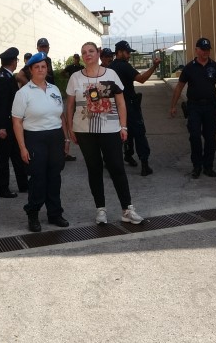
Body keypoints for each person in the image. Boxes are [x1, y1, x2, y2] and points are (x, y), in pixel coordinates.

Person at [65, 42, 144, 225]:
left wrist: (123, 126)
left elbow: (121, 102)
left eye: (91, 51)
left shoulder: (111, 74)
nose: (87, 54)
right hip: (84, 131)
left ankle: (127, 209)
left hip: (110, 129)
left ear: (98, 53)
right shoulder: (75, 78)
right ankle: (100, 209)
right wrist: (70, 129)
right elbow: (69, 106)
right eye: (84, 52)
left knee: (117, 167)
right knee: (94, 169)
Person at [11, 52, 70, 232]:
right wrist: (22, 147)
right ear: (30, 70)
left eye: (43, 67)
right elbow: (17, 122)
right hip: (35, 138)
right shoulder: (23, 93)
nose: (40, 70)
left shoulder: (54, 89)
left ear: (47, 69)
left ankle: (55, 213)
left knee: (54, 177)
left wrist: (66, 138)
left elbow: (61, 116)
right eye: (36, 67)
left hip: (55, 137)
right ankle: (33, 214)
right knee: (38, 178)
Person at [169, 37, 216, 178]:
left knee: (210, 137)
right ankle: (197, 166)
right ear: (196, 50)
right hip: (194, 106)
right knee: (195, 136)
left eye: (207, 49)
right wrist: (173, 106)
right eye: (202, 49)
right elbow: (179, 87)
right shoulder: (189, 68)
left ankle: (208, 166)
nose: (205, 52)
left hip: (210, 106)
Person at [109, 39, 162, 175]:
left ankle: (121, 159)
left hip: (114, 106)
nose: (129, 55)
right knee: (138, 133)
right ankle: (144, 165)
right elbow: (142, 79)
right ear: (119, 52)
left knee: (120, 133)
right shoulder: (124, 66)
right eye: (127, 52)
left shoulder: (110, 68)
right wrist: (154, 66)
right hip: (129, 105)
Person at [0, 47, 27, 198]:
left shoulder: (8, 76)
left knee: (17, 155)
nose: (17, 62)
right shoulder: (3, 79)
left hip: (11, 125)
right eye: (16, 60)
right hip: (3, 127)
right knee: (3, 158)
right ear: (13, 62)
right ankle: (1, 188)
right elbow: (1, 106)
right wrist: (2, 127)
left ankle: (24, 185)